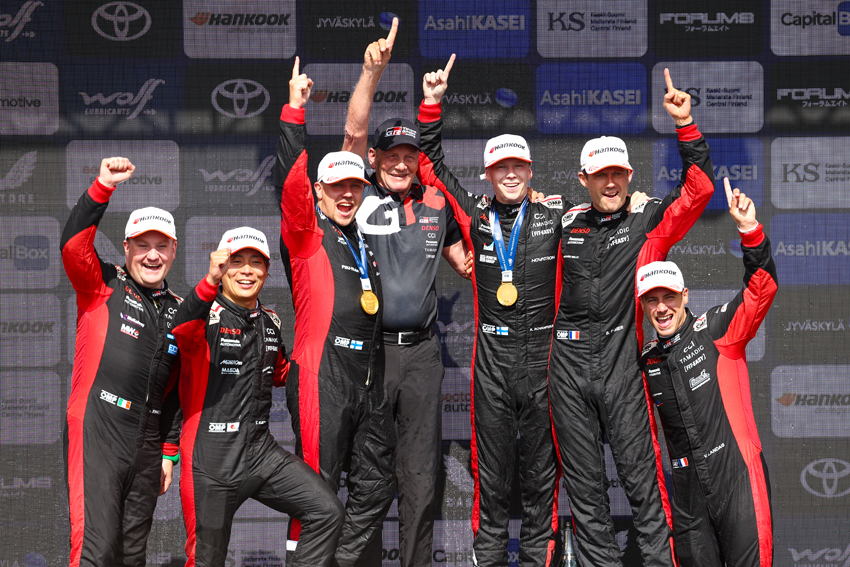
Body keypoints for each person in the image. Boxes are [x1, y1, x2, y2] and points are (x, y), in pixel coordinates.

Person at [414, 56, 645, 567]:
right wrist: (431, 105)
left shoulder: (557, 212)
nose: (511, 174)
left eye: (518, 166)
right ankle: (489, 558)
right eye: (501, 168)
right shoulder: (475, 215)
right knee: (491, 478)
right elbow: (430, 166)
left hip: (546, 363)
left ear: (530, 170)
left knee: (543, 479)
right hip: (493, 363)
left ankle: (540, 557)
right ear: (488, 174)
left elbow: (607, 210)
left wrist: (637, 202)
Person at [546, 69, 716, 567]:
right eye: (601, 175)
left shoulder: (648, 220)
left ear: (629, 175)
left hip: (623, 367)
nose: (611, 183)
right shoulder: (563, 222)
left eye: (618, 174)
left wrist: (684, 124)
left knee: (644, 486)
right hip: (567, 370)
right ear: (584, 179)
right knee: (585, 492)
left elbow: (699, 190)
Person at [342, 22, 468, 567]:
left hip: (421, 354)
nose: (400, 162)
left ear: (419, 161)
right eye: (390, 154)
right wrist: (371, 73)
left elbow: (470, 264)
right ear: (374, 159)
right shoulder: (356, 197)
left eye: (409, 155)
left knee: (420, 479)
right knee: (368, 478)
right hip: (369, 354)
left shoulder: (437, 203)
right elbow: (353, 131)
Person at [275, 58, 396, 567]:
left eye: (356, 187)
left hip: (365, 379)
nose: (348, 195)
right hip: (320, 375)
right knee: (316, 490)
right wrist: (294, 112)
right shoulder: (307, 234)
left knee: (378, 482)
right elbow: (290, 180)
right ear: (319, 192)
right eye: (337, 188)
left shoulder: (361, 239)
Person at [171, 227, 344, 567]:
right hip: (210, 460)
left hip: (261, 453)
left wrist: (324, 367)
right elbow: (181, 328)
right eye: (237, 262)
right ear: (222, 267)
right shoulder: (205, 316)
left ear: (266, 270)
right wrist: (209, 281)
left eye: (256, 263)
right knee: (206, 560)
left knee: (327, 512)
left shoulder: (270, 321)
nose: (247, 271)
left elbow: (281, 374)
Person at [638, 179, 775, 567]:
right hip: (688, 500)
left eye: (668, 297)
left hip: (738, 481)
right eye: (652, 300)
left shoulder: (716, 331)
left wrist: (749, 230)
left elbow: (761, 289)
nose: (661, 308)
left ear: (685, 296)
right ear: (643, 305)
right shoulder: (645, 361)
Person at [61, 157, 182, 567]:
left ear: (174, 250)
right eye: (143, 245)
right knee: (94, 551)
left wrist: (167, 451)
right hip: (99, 428)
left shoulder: (180, 311)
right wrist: (102, 187)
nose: (152, 256)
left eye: (161, 246)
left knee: (131, 557)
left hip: (146, 444)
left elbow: (177, 391)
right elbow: (73, 246)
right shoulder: (103, 284)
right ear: (126, 248)